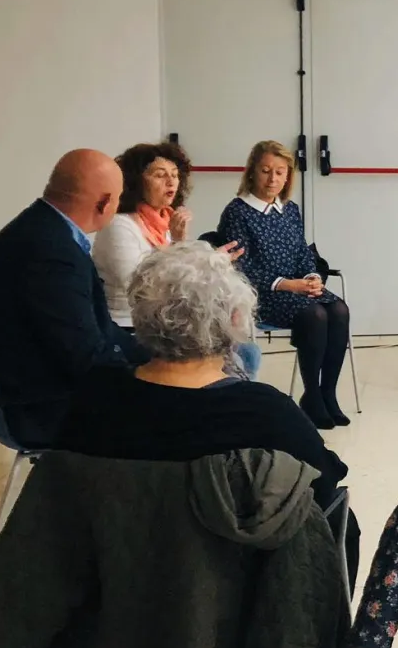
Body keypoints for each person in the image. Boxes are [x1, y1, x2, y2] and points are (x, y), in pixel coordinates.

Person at [56, 241, 349, 526]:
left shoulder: (92, 399)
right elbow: (324, 484)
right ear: (236, 319)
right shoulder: (267, 412)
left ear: (140, 315)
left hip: (109, 553)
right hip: (229, 558)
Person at [0, 149, 138, 446]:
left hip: (52, 387)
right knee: (184, 412)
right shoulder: (49, 251)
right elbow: (83, 356)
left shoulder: (46, 231)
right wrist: (151, 377)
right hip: (49, 407)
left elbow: (100, 332)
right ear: (104, 203)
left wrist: (159, 356)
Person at [217, 140, 353, 431]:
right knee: (315, 315)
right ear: (252, 172)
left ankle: (328, 393)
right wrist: (287, 285)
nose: (273, 179)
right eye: (265, 171)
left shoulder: (290, 210)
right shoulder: (237, 212)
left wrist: (312, 277)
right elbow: (240, 268)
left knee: (339, 310)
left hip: (297, 288)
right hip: (263, 293)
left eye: (280, 172)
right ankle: (312, 397)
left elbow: (302, 253)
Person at [92, 141, 194, 329]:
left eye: (174, 175)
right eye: (160, 175)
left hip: (161, 324)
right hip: (125, 326)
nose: (171, 181)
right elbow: (139, 289)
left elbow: (183, 281)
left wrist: (211, 261)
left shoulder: (167, 222)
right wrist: (177, 245)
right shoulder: (118, 225)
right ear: (136, 182)